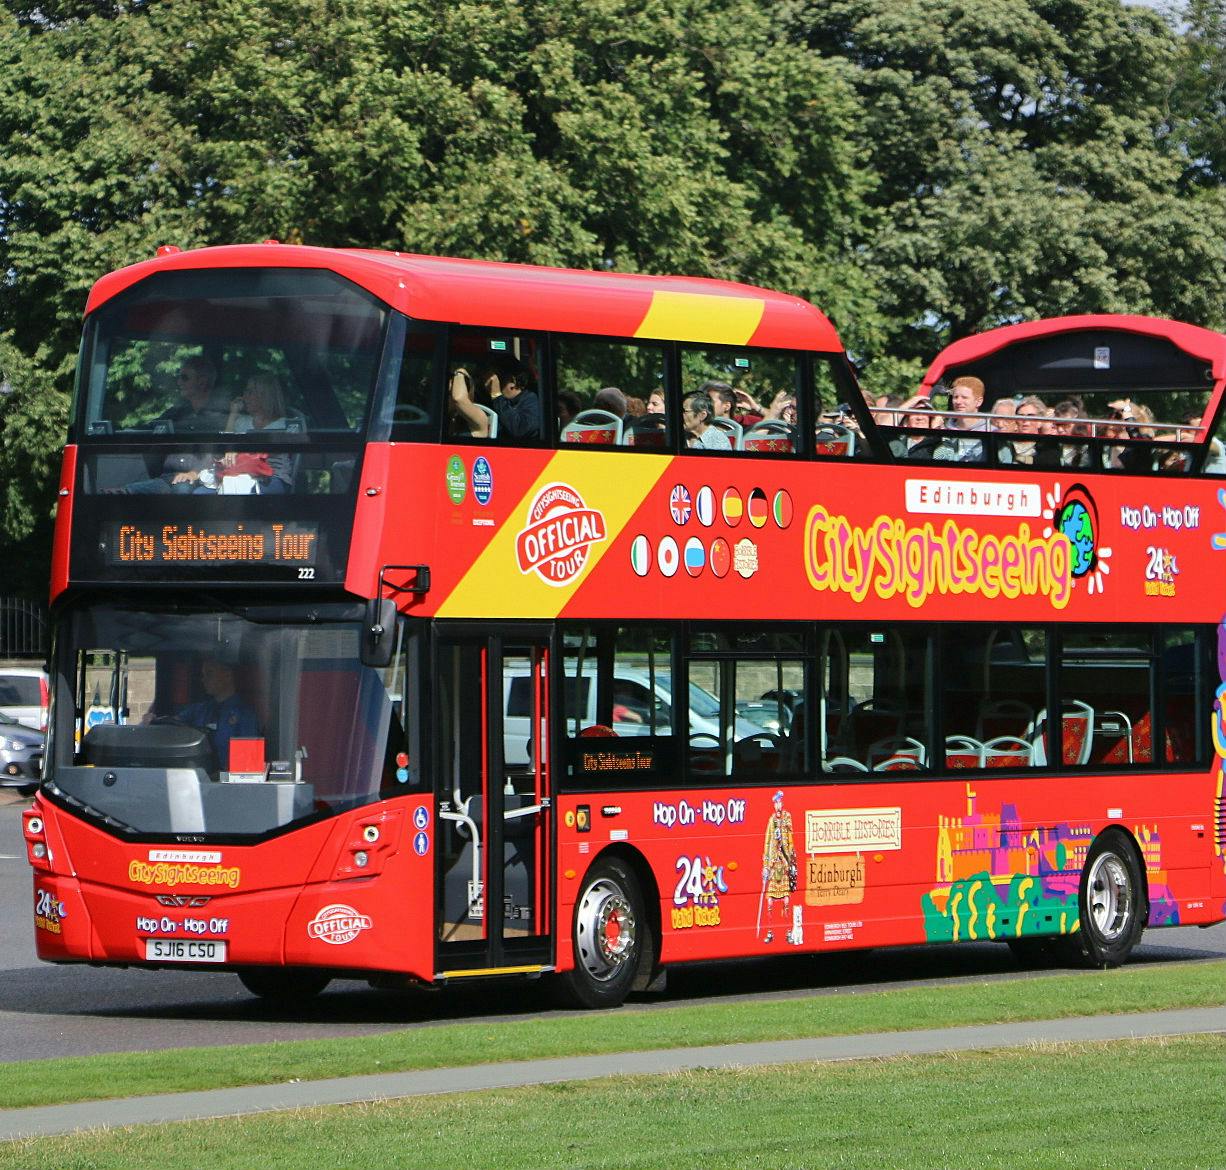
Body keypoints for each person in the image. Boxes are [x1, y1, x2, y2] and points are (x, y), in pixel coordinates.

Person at [114, 356, 229, 493]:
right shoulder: (175, 413)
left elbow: (219, 454)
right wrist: (116, 432)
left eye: (184, 377)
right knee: (127, 492)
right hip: (166, 478)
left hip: (199, 481)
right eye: (178, 377)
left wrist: (195, 472)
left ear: (202, 382)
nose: (179, 382)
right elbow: (150, 428)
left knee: (181, 489)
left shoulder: (221, 418)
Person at [176, 374, 297, 494]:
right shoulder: (242, 422)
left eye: (250, 392)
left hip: (271, 477)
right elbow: (224, 444)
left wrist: (239, 450)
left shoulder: (284, 425)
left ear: (264, 396)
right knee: (200, 493)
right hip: (235, 473)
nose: (244, 397)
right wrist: (233, 415)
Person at [176, 656, 260, 770]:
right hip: (194, 780)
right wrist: (152, 721)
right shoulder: (198, 710)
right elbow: (172, 727)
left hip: (228, 784)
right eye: (203, 675)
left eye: (210, 674)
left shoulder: (244, 715)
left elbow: (246, 766)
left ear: (227, 675)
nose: (204, 679)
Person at [760, 790, 797, 945]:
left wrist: (792, 862)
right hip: (774, 865)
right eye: (776, 803)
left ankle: (788, 932)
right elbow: (767, 842)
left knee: (786, 902)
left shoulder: (787, 818)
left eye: (780, 802)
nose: (778, 805)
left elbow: (791, 839)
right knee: (770, 903)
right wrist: (766, 866)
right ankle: (770, 932)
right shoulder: (771, 821)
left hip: (785, 864)